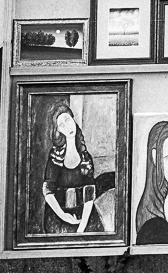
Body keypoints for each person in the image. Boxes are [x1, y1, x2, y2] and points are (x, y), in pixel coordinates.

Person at [41, 101, 114, 236]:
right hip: (58, 213)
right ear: (58, 131)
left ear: (73, 119)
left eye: (68, 120)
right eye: (61, 125)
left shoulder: (85, 157)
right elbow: (48, 192)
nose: (67, 126)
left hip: (83, 211)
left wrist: (81, 227)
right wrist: (63, 215)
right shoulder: (55, 157)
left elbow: (89, 192)